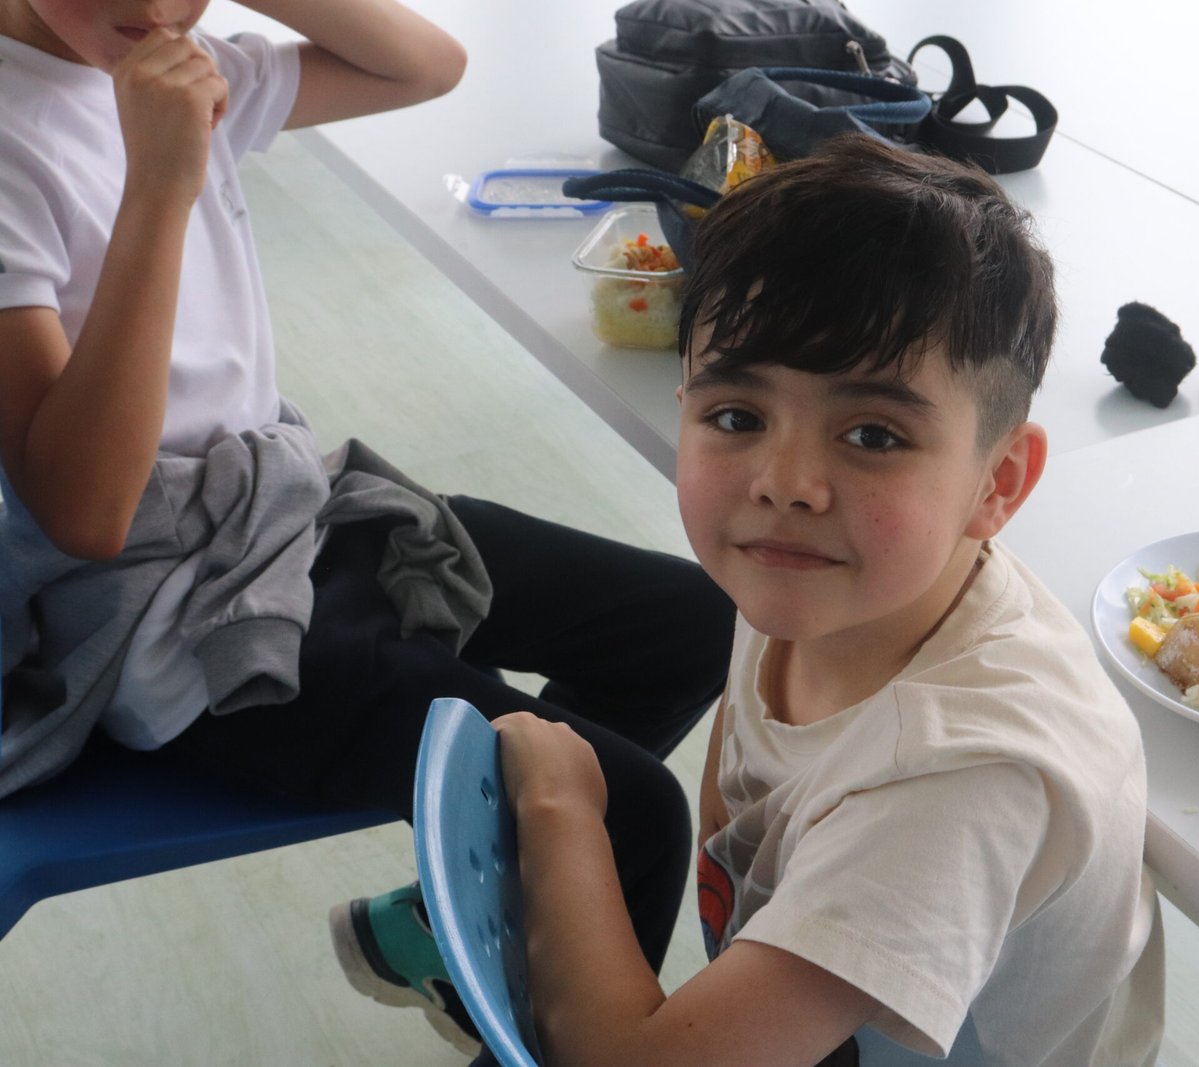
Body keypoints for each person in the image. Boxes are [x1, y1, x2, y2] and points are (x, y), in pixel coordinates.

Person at [0, 0, 733, 1054]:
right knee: (635, 810)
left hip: (298, 519)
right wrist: (160, 184)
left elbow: (425, 64)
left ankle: (459, 918)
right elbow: (87, 513)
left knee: (692, 619)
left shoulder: (179, 58)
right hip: (176, 627)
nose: (156, 8)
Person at [492, 133, 1166, 1067]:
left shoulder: (959, 780)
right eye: (737, 416)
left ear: (997, 482)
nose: (786, 480)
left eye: (874, 435)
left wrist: (560, 813)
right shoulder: (813, 578)